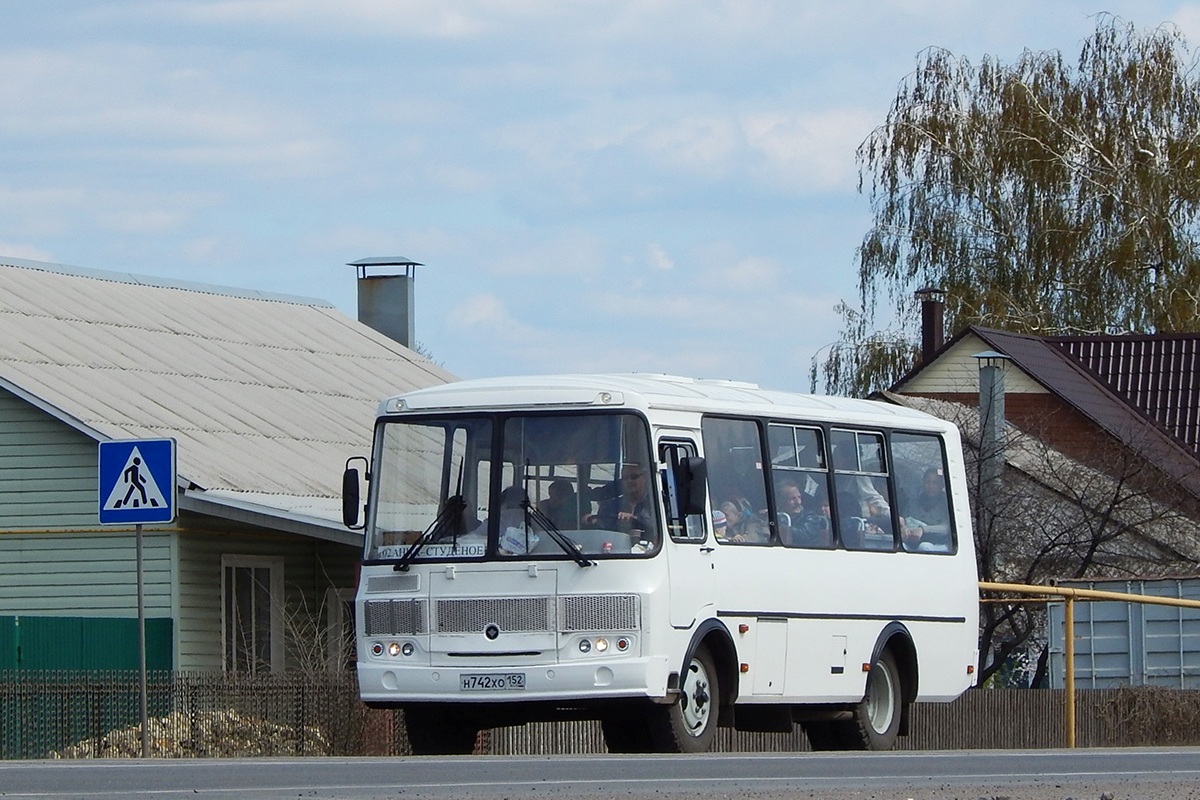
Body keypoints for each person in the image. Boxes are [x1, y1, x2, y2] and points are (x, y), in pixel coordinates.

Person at [591, 463, 655, 537]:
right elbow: (602, 531)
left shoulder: (655, 504)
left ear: (645, 478)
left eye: (634, 477)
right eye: (625, 478)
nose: (629, 481)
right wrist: (593, 520)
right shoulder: (608, 506)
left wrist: (636, 520)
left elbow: (659, 528)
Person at [901, 468, 952, 552]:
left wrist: (923, 530)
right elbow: (903, 519)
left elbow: (946, 527)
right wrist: (903, 528)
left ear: (941, 486)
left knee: (924, 547)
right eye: (927, 482)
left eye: (935, 483)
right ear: (923, 483)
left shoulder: (947, 504)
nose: (930, 486)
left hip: (937, 544)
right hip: (911, 543)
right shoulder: (912, 502)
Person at [775, 478, 832, 547]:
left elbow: (804, 535)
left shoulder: (811, 517)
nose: (798, 502)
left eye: (799, 497)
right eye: (792, 499)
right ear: (781, 501)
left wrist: (779, 526)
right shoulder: (776, 516)